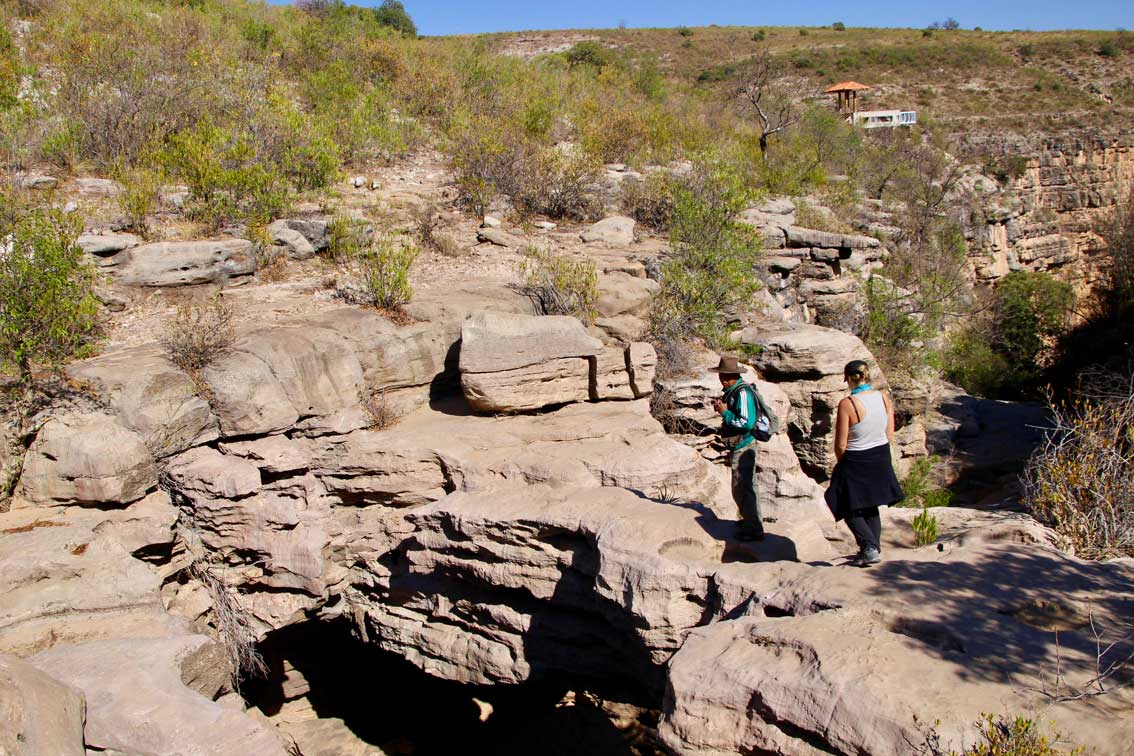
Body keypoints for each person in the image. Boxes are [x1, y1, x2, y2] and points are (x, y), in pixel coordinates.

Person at [825, 359, 905, 566]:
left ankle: (868, 547)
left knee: (841, 501)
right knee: (869, 503)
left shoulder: (848, 403)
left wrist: (843, 464)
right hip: (880, 454)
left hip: (856, 457)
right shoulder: (883, 397)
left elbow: (841, 444)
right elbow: (889, 431)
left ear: (849, 379)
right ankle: (872, 548)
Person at [710, 355, 773, 542]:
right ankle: (750, 521)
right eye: (721, 376)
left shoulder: (742, 393)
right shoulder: (734, 391)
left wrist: (725, 413)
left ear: (733, 376)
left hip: (744, 446)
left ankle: (753, 529)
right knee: (745, 486)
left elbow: (745, 422)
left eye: (725, 376)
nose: (722, 379)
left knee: (742, 487)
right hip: (740, 445)